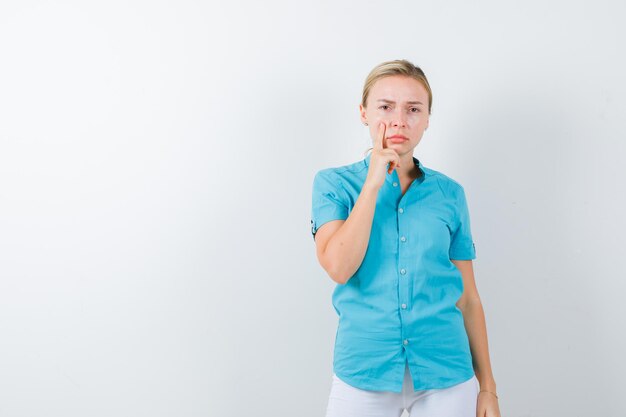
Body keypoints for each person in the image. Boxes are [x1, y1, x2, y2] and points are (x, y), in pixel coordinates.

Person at [310, 59, 502, 417]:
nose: (399, 120)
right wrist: (373, 183)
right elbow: (338, 266)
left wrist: (488, 388)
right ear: (364, 113)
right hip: (364, 370)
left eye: (414, 109)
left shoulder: (450, 194)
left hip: (446, 373)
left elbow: (469, 298)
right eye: (385, 107)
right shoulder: (334, 185)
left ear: (428, 119)